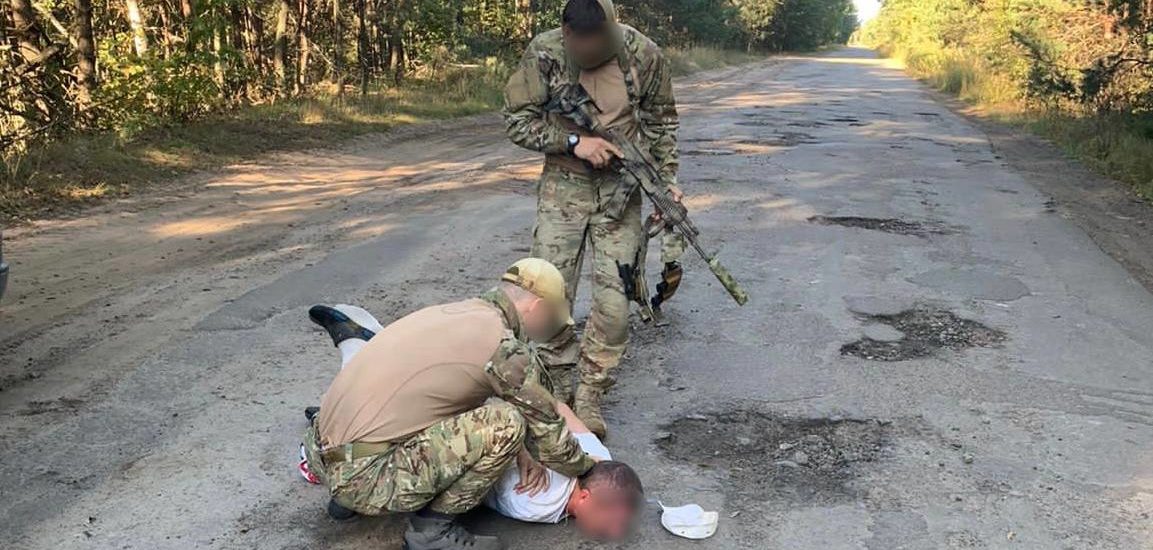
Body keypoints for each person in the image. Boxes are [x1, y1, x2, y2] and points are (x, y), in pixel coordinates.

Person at [301, 258, 597, 550]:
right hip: (364, 478)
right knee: (507, 424)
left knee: (445, 401)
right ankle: (432, 531)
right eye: (552, 318)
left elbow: (444, 397)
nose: (549, 328)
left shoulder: (453, 313)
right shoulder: (504, 348)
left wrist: (522, 451)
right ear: (538, 307)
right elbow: (551, 440)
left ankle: (348, 497)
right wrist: (589, 468)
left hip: (319, 451)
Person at [503, 0, 683, 438]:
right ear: (566, 35)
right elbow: (517, 121)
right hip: (563, 187)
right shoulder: (545, 52)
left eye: (598, 46)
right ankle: (558, 386)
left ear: (611, 31)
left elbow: (661, 124)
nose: (589, 54)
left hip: (621, 193)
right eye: (580, 47)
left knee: (615, 305)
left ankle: (590, 392)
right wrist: (573, 142)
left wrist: (666, 184)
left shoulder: (643, 54)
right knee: (544, 295)